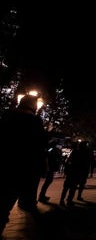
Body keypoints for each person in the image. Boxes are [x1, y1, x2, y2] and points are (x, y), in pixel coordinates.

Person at [0, 95, 49, 233]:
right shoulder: (34, 121)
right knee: (6, 204)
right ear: (33, 106)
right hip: (20, 169)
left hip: (4, 164)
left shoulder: (7, 115)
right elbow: (40, 144)